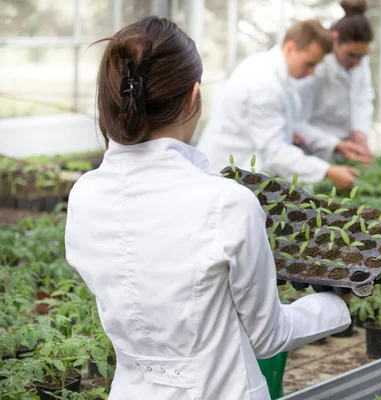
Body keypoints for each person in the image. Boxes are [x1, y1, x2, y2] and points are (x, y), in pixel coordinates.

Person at [65, 17, 350, 400]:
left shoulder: (84, 196)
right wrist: (335, 300)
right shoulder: (228, 204)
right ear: (193, 96)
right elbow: (269, 336)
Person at [196, 19, 364, 190]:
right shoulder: (263, 82)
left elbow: (294, 124)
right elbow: (274, 151)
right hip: (225, 174)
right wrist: (328, 171)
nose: (312, 72)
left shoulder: (281, 76)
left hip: (243, 176)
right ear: (290, 48)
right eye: (309, 64)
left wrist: (336, 145)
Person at [297, 0, 375, 164]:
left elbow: (363, 98)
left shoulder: (359, 62)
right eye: (351, 55)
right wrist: (335, 144)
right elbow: (297, 121)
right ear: (335, 40)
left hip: (346, 147)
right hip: (311, 150)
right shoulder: (316, 66)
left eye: (363, 56)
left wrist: (359, 133)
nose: (358, 63)